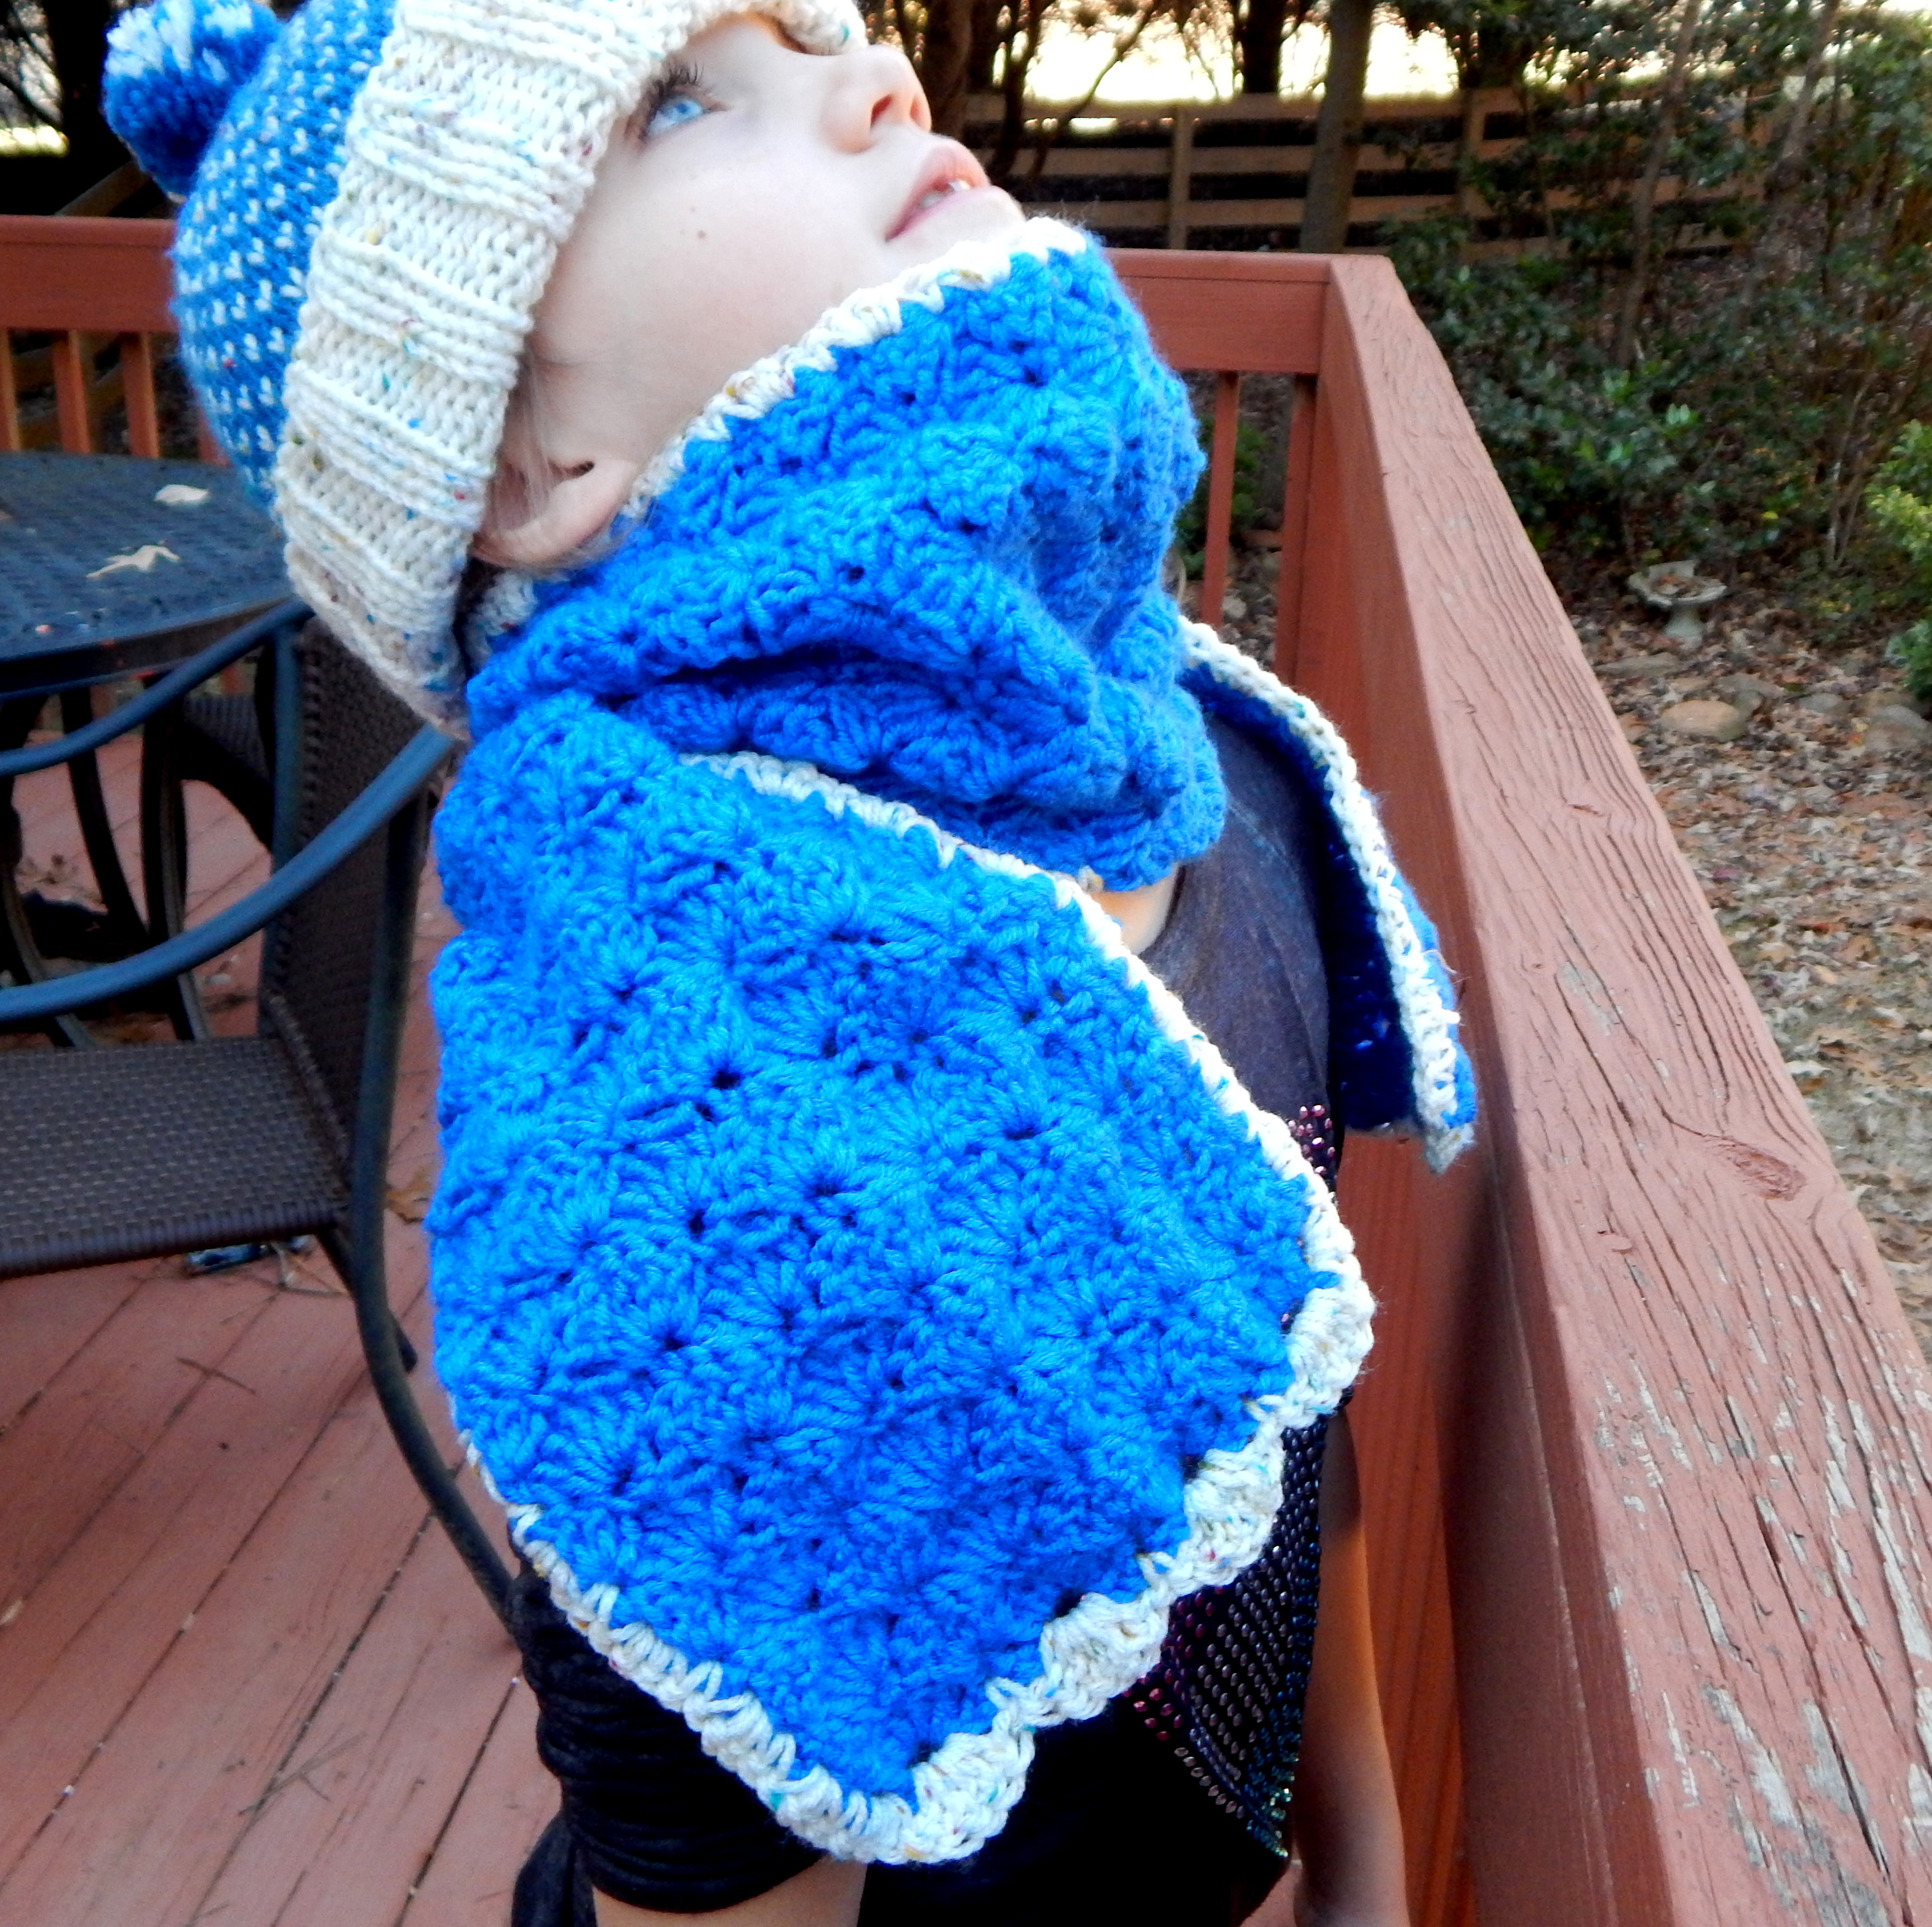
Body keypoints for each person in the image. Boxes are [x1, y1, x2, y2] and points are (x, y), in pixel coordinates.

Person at [104, 6, 1477, 1925]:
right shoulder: (671, 1180)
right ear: (527, 465)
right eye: (679, 100)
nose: (879, 80)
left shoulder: (1208, 768)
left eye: (830, 28)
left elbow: (1271, 1398)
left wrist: (1365, 1869)